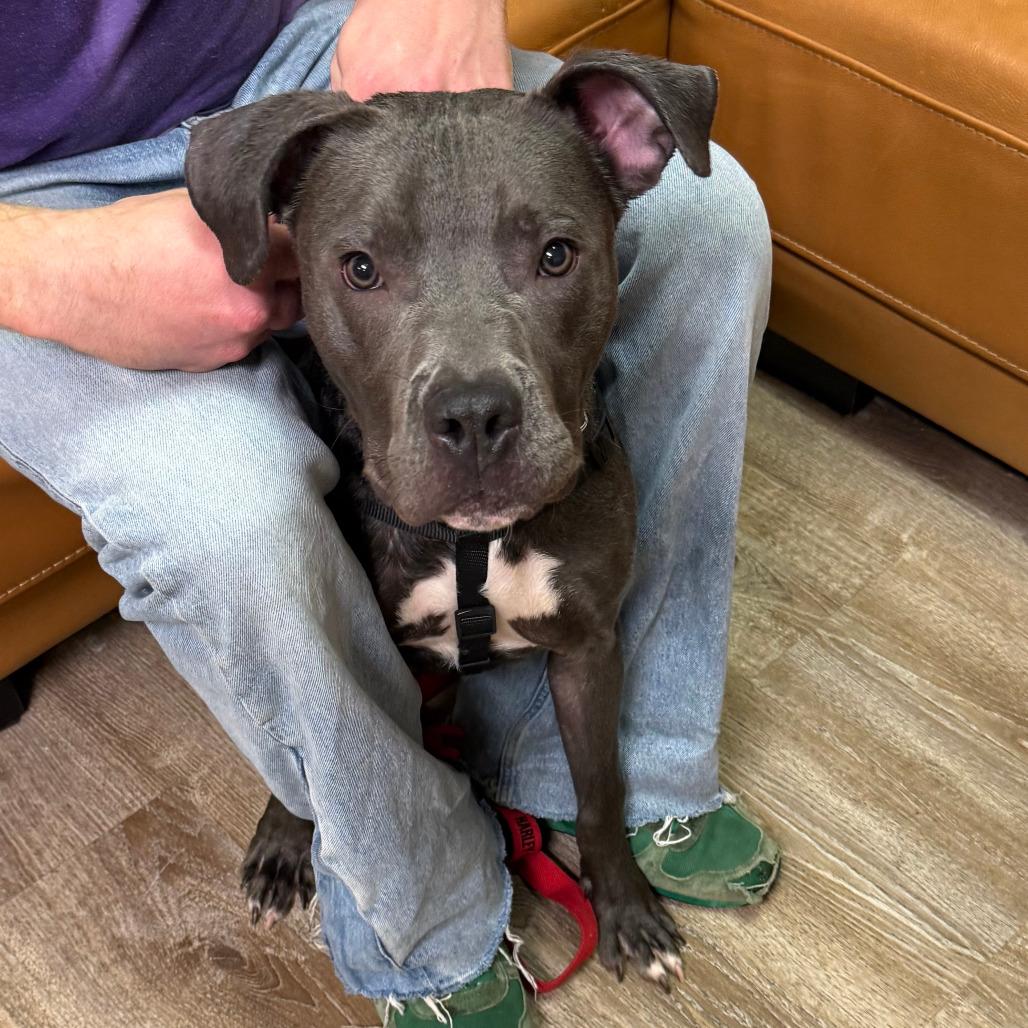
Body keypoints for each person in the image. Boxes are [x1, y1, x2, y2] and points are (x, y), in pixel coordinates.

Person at [0, 0, 780, 1023]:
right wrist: (42, 266)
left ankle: (617, 784)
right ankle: (412, 897)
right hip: (28, 197)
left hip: (284, 41)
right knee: (229, 510)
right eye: (362, 271)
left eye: (549, 259)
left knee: (709, 219)